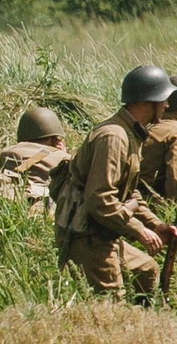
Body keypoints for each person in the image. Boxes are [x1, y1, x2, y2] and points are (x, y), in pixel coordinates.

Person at [54, 65, 173, 298]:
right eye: (163, 100)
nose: (167, 105)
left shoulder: (131, 133)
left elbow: (129, 194)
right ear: (147, 101)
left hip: (103, 230)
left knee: (146, 270)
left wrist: (155, 225)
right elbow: (100, 200)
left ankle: (144, 318)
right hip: (86, 235)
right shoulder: (114, 137)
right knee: (110, 300)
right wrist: (139, 230)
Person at [0, 107, 70, 216]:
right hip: (45, 209)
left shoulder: (6, 153)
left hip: (9, 205)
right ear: (54, 138)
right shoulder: (61, 157)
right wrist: (64, 154)